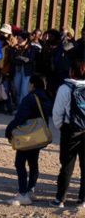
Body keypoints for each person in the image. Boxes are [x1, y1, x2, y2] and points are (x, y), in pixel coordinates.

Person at [5, 75, 52, 206]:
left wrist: (9, 130)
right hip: (38, 136)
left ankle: (23, 193)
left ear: (32, 84)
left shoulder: (30, 98)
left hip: (26, 136)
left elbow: (20, 117)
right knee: (33, 162)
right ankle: (31, 190)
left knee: (20, 163)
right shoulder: (46, 97)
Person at [51, 58, 85, 208]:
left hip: (70, 131)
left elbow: (57, 113)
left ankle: (60, 199)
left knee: (66, 166)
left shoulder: (65, 88)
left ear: (72, 71)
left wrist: (61, 127)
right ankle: (82, 200)